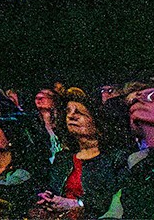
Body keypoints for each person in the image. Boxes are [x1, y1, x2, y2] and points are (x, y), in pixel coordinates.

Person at [39, 89, 127, 218]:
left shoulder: (116, 158)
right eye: (68, 112)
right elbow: (54, 189)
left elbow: (114, 201)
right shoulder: (63, 158)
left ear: (98, 122)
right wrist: (48, 197)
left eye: (80, 113)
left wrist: (77, 204)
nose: (71, 116)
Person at [104, 79, 154, 219]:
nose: (137, 100)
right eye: (131, 104)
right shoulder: (136, 164)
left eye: (151, 96)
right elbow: (114, 213)